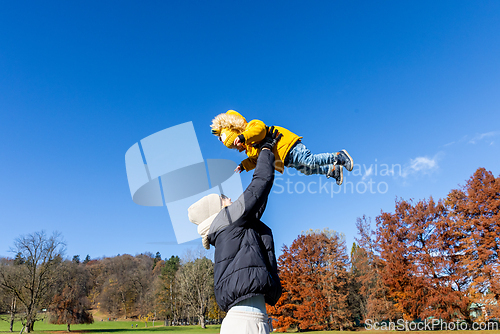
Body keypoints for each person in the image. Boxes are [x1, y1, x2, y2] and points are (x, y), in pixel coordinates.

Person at [188, 127, 283, 334]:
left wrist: (263, 155)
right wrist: (267, 147)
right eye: (224, 199)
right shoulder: (229, 220)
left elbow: (258, 200)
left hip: (246, 320)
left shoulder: (228, 228)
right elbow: (260, 184)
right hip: (246, 322)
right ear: (220, 209)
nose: (230, 199)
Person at [210, 110, 353, 185]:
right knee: (307, 170)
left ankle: (338, 156)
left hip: (288, 146)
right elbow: (255, 160)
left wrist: (243, 137)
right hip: (285, 159)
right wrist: (243, 165)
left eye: (237, 139)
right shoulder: (250, 149)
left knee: (310, 161)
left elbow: (259, 131)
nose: (238, 144)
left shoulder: (252, 127)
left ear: (236, 130)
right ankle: (332, 170)